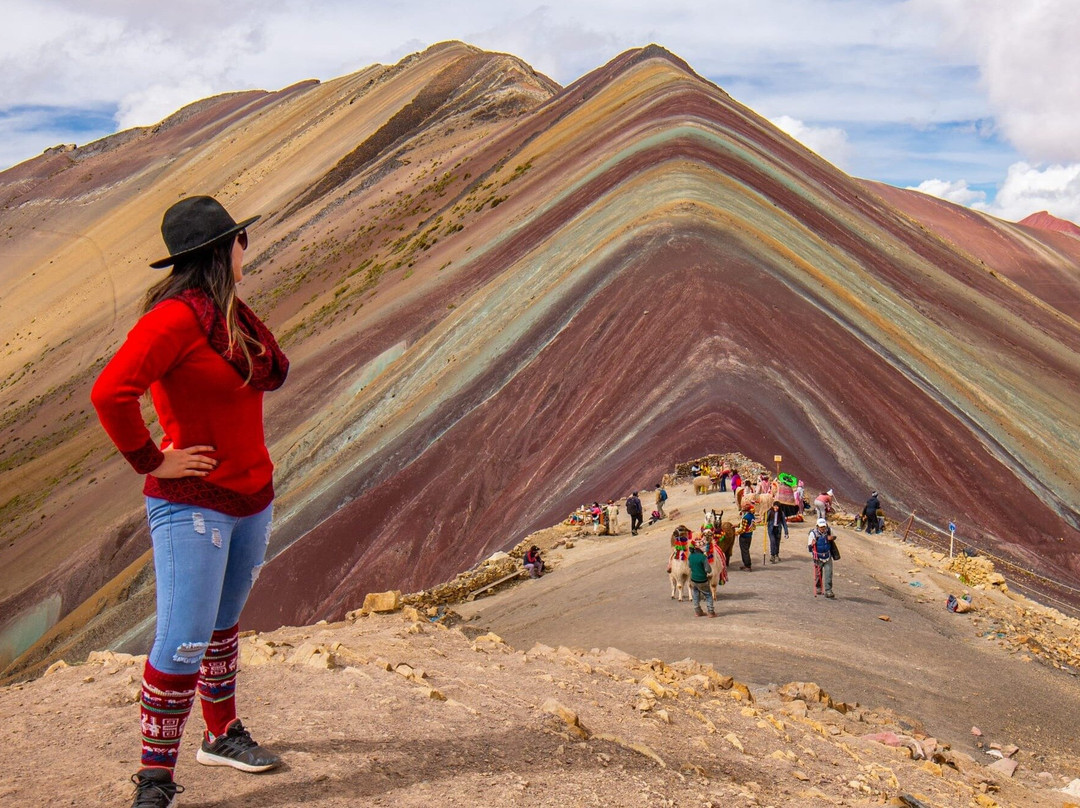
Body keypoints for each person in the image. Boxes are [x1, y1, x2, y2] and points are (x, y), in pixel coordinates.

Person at [91, 196, 289, 808]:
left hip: (252, 495)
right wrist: (153, 461)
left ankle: (221, 734)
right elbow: (110, 392)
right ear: (223, 249)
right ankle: (155, 780)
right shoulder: (175, 319)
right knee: (183, 637)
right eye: (240, 240)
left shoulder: (231, 316)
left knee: (222, 624)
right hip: (193, 502)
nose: (245, 249)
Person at [808, 518, 836, 598]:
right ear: (817, 526)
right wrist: (812, 544)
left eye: (824, 526)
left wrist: (832, 538)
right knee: (818, 574)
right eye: (821, 527)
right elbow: (809, 548)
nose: (823, 528)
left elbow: (834, 536)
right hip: (818, 557)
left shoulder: (829, 530)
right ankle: (818, 588)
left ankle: (828, 590)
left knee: (829, 573)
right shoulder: (813, 533)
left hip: (827, 556)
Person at [688, 540, 716, 617]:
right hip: (702, 580)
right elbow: (708, 570)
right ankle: (711, 612)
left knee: (695, 595)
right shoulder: (703, 557)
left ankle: (698, 611)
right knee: (708, 595)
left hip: (693, 579)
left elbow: (689, 566)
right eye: (703, 545)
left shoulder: (691, 556)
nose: (705, 546)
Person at [737, 504, 756, 570]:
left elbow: (743, 529)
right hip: (749, 536)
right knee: (746, 550)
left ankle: (747, 565)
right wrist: (737, 525)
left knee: (744, 551)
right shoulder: (752, 516)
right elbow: (749, 525)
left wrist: (736, 533)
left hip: (744, 536)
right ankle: (746, 564)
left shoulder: (746, 517)